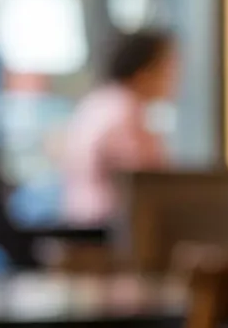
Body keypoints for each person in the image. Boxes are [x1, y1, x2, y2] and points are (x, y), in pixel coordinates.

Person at [61, 30, 176, 225]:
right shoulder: (125, 111)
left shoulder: (97, 102)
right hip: (108, 228)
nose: (173, 78)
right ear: (144, 71)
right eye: (168, 68)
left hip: (78, 216)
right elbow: (147, 180)